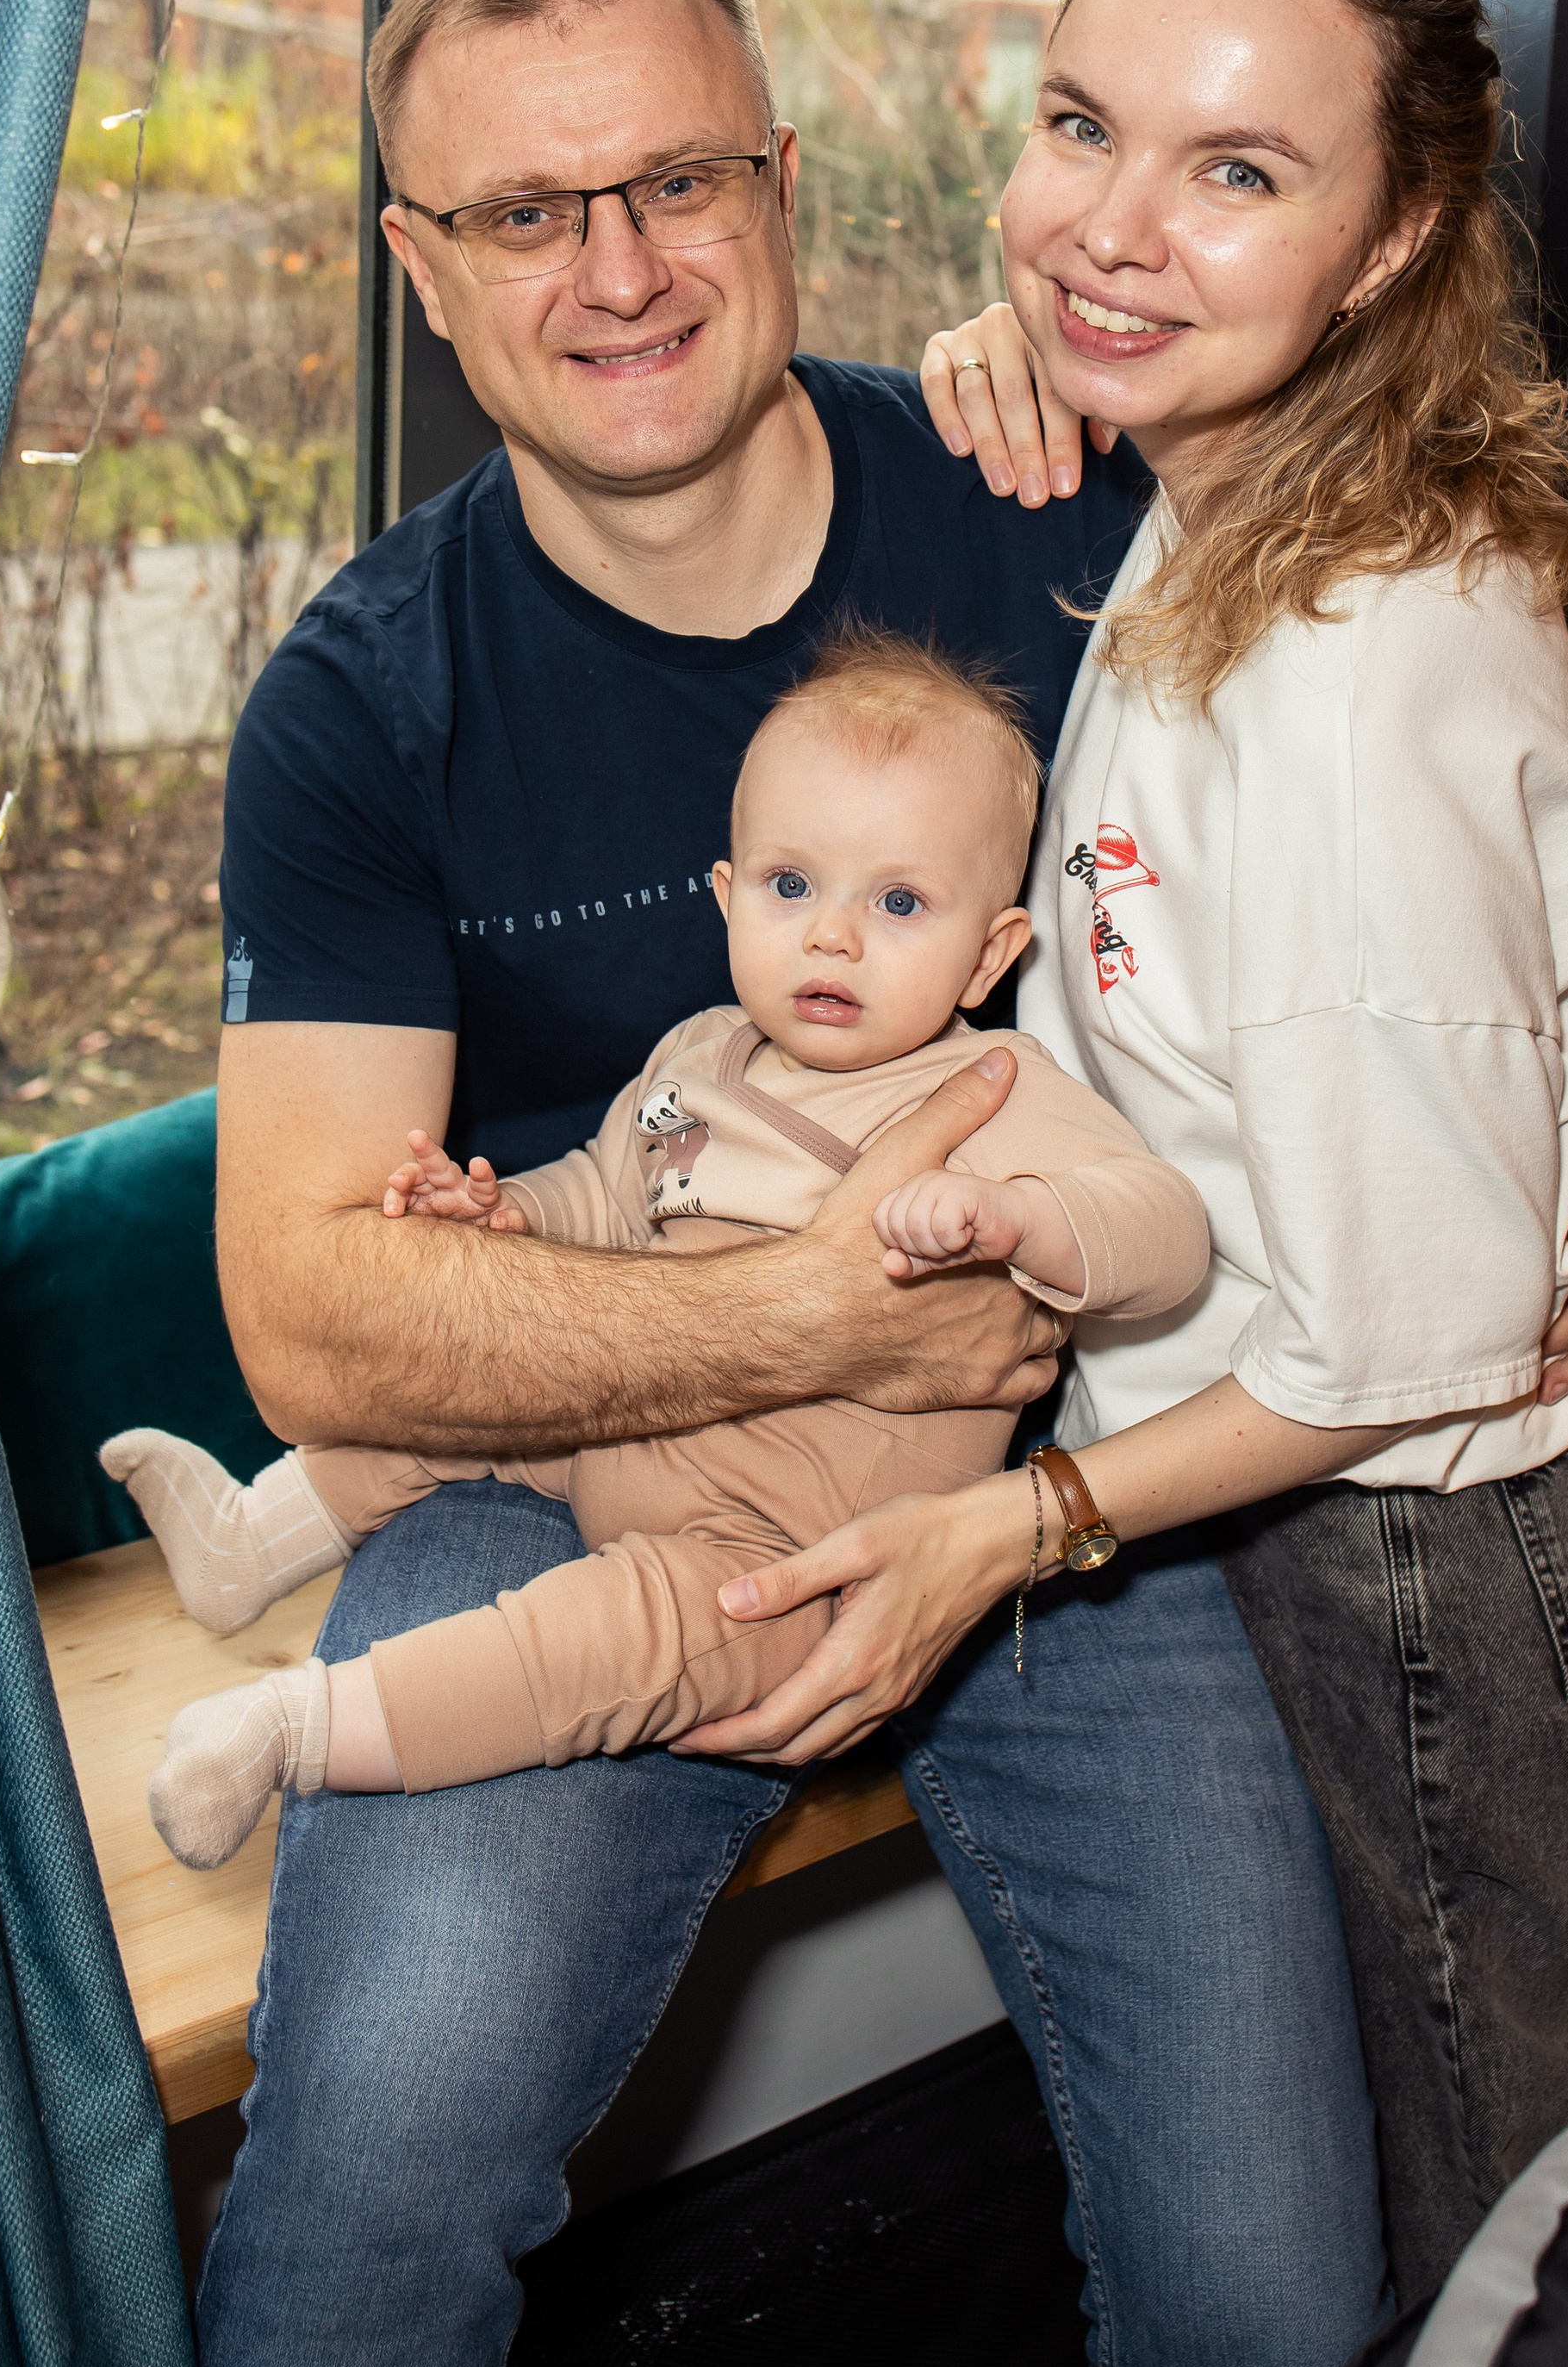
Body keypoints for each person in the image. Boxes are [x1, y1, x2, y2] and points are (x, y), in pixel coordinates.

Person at [195, 0, 1568, 2367]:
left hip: (1070, 1495)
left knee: (1266, 2302)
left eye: (675, 182)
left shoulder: (1073, 485)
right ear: (423, 274)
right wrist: (814, 1326)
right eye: (525, 217)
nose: (619, 269)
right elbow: (319, 1330)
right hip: (577, 1502)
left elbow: (1445, 761)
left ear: (782, 183)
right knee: (364, 2204)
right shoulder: (361, 700)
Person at [688, 0, 1568, 2310]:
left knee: (1439, 2271)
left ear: (1389, 242)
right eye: (1079, 128)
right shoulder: (1266, 476)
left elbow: (1420, 1330)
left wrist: (996, 1537)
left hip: (1426, 1569)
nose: (1109, 229)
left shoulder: (1346, 680)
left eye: (1237, 170)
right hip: (1310, 1495)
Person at [112, 632, 1205, 1865]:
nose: (833, 937)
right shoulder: (700, 1057)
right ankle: (249, 1546)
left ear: (992, 954)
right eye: (794, 887)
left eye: (898, 903)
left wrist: (1030, 1224)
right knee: (452, 1394)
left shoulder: (996, 1090)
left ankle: (292, 1730)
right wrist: (506, 1219)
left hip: (779, 1553)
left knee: (603, 1642)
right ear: (729, 898)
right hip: (626, 1416)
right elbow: (605, 1190)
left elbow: (1169, 1230)